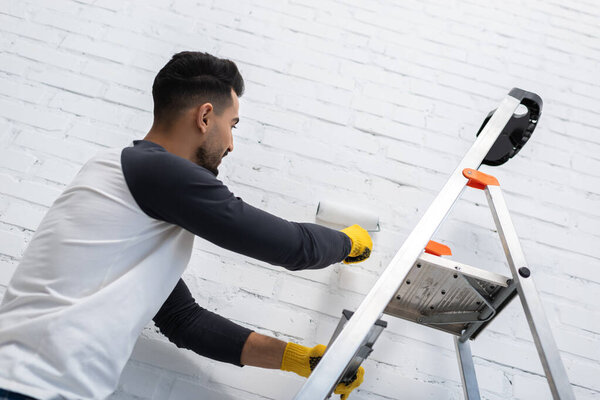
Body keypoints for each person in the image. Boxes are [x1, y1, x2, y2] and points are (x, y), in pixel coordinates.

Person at [0, 51, 373, 400]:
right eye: (233, 125)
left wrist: (297, 359)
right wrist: (349, 242)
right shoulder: (154, 171)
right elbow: (292, 247)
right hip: (26, 386)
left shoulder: (128, 186)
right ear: (205, 116)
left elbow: (184, 321)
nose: (230, 144)